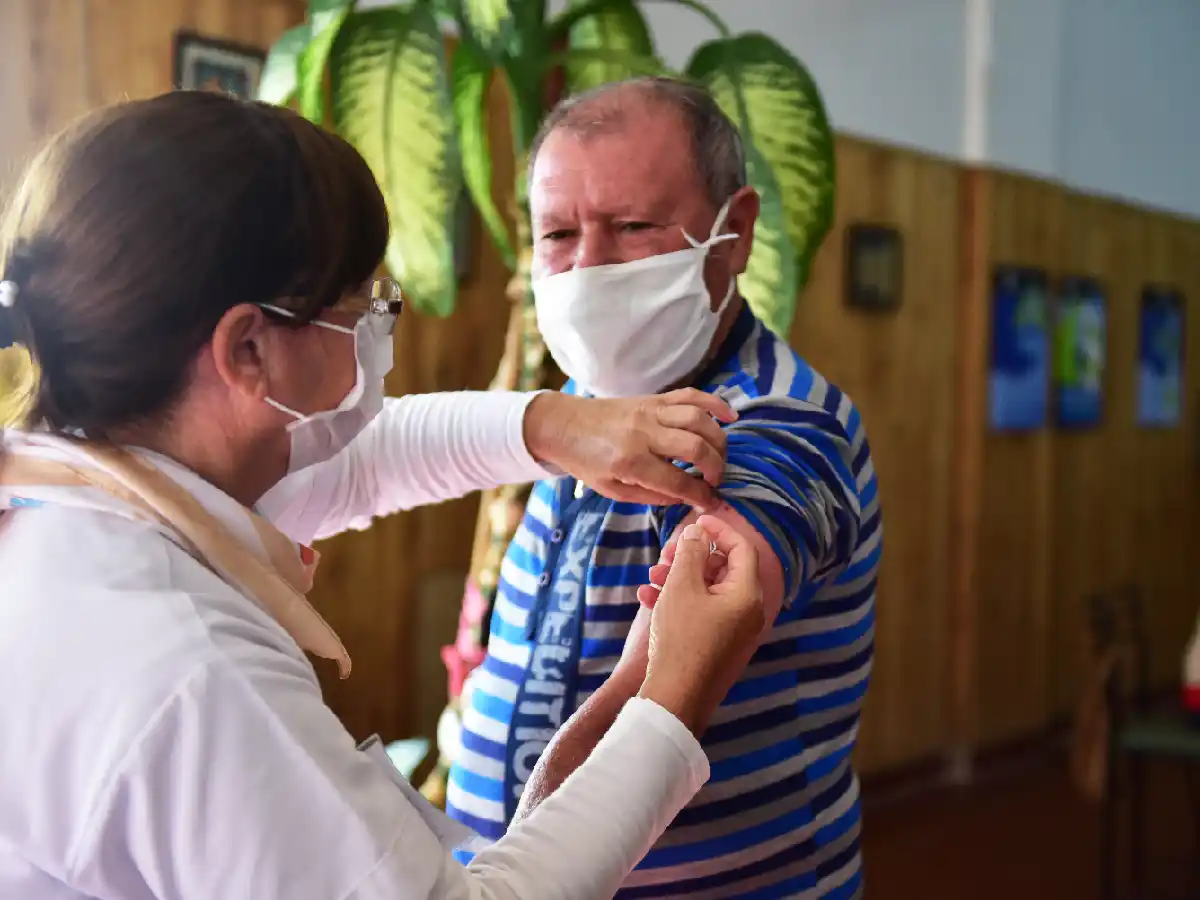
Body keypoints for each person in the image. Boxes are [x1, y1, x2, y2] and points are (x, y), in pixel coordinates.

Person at [0, 91, 770, 898]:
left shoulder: (70, 496)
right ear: (248, 350)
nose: (377, 325)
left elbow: (361, 463)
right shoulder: (188, 670)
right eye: (359, 305)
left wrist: (549, 425)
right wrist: (671, 694)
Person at [448, 77, 882, 898]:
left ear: (735, 233)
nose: (587, 268)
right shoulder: (579, 408)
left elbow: (673, 665)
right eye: (558, 234)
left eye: (632, 227)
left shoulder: (784, 422)